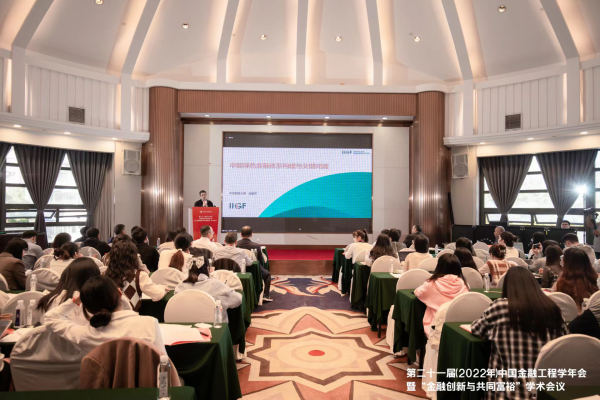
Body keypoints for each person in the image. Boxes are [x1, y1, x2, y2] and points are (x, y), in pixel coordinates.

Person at [471, 267, 567, 400]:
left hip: (505, 393)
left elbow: (477, 329)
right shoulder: (553, 309)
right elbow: (565, 341)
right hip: (545, 392)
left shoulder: (500, 307)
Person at [43, 275, 167, 356]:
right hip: (144, 386)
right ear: (120, 294)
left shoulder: (84, 335)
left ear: (86, 306)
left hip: (102, 387)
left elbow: (50, 317)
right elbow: (163, 364)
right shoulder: (149, 324)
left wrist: (76, 300)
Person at [414, 254, 469, 336]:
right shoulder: (463, 284)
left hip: (436, 327)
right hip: (458, 327)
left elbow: (418, 292)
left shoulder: (432, 284)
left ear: (439, 267)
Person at [105, 240, 168, 311]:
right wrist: (162, 288)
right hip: (130, 316)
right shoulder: (139, 275)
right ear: (134, 257)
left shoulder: (105, 274)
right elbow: (157, 294)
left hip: (108, 316)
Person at [175, 260, 242, 321]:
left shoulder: (181, 286)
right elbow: (238, 300)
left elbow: (176, 304)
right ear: (208, 269)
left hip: (186, 325)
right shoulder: (215, 284)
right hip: (214, 326)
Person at [555, 247, 599, 313]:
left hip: (569, 317)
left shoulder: (561, 283)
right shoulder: (595, 280)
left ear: (567, 263)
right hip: (592, 317)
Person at [236, 226, 273, 302]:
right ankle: (266, 295)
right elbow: (260, 261)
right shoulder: (256, 246)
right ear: (251, 234)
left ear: (241, 234)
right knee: (267, 274)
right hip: (253, 269)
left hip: (238, 269)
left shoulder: (236, 245)